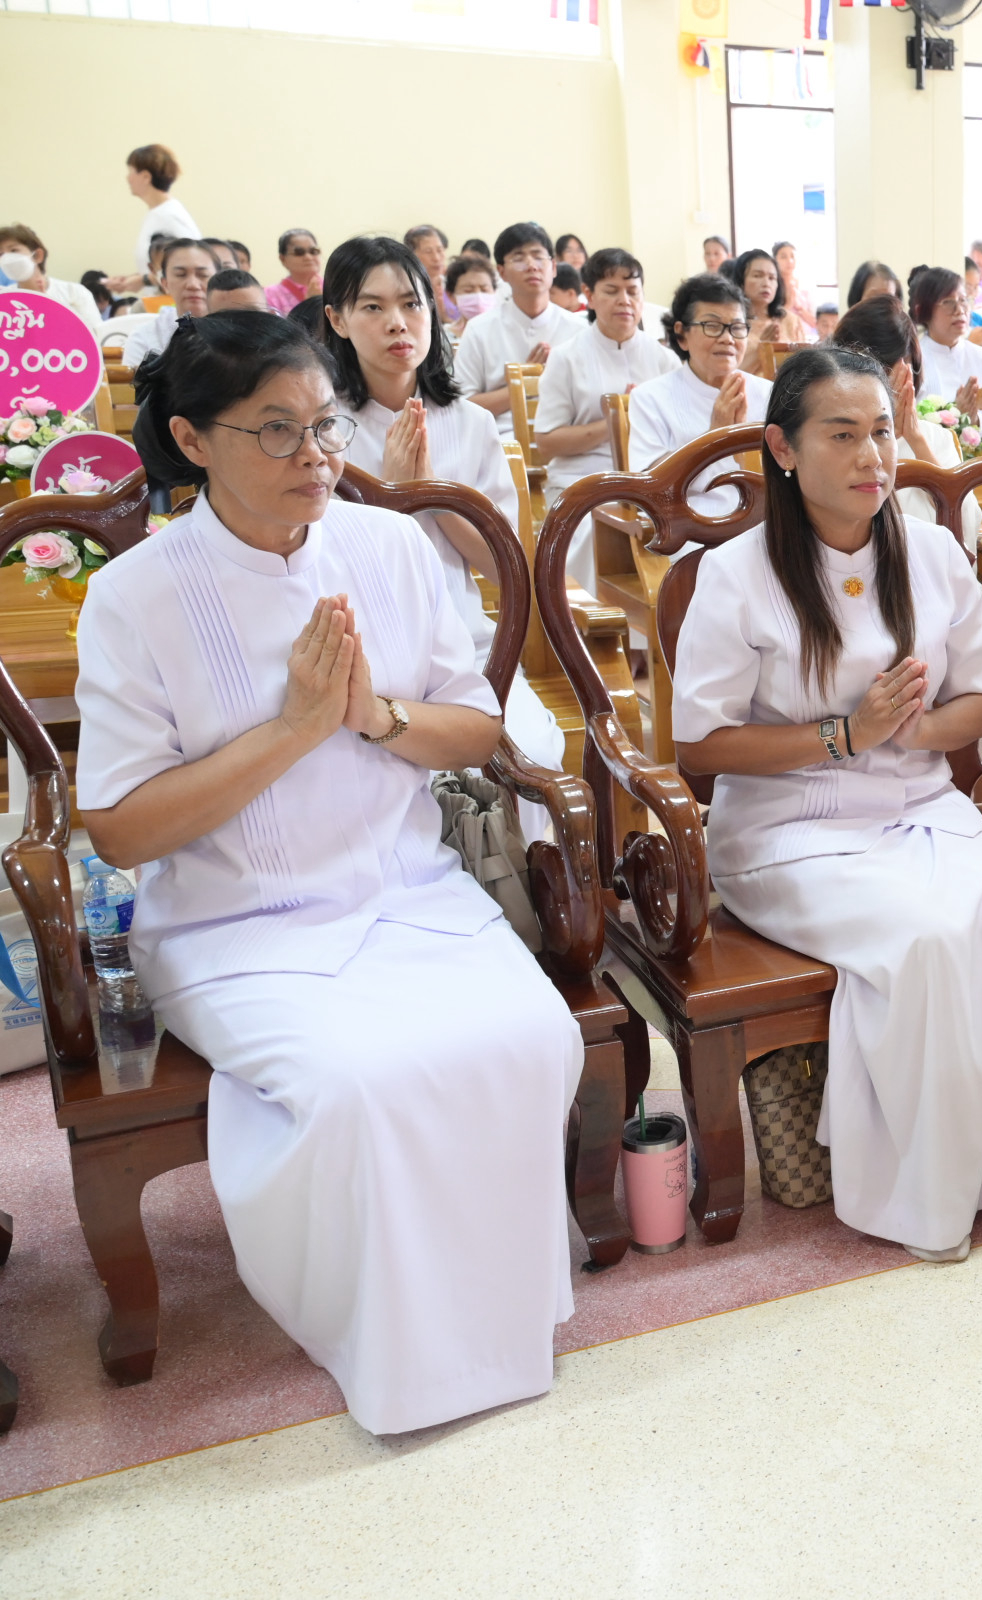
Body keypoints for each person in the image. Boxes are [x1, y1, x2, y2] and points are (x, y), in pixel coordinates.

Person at [90, 310, 580, 1434]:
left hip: (404, 888)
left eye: (324, 427)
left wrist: (379, 715)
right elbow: (119, 830)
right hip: (232, 927)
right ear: (192, 438)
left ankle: (493, 1324)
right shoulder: (138, 596)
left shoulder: (390, 546)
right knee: (360, 1085)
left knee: (530, 1037)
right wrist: (299, 729)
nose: (317, 458)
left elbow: (473, 728)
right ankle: (386, 1344)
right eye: (277, 432)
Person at [668, 348, 982, 1261]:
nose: (871, 457)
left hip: (920, 805)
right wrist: (843, 736)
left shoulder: (929, 550)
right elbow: (699, 744)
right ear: (781, 447)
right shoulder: (735, 573)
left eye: (882, 431)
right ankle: (919, 1200)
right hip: (789, 826)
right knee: (926, 943)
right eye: (841, 435)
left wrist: (918, 733)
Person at [320, 234, 565, 778]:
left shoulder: (470, 422)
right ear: (337, 320)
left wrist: (430, 493)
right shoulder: (324, 429)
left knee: (529, 759)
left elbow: (505, 566)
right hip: (358, 651)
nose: (397, 323)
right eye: (373, 307)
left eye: (411, 303)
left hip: (462, 640)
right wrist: (390, 498)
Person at [832, 297, 982, 776]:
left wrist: (915, 440)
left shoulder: (937, 436)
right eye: (871, 370)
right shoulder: (830, 439)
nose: (883, 385)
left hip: (939, 597)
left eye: (894, 371)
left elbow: (965, 533)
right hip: (854, 593)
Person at [532, 247, 681, 593]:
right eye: (611, 291)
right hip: (583, 477)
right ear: (589, 296)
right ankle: (597, 633)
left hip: (650, 477)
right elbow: (547, 443)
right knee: (594, 529)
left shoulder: (664, 359)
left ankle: (664, 636)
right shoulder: (566, 358)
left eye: (633, 291)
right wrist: (620, 420)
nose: (624, 301)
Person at [629, 275, 773, 522]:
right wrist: (715, 436)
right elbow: (649, 485)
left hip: (763, 523)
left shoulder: (769, 393)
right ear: (681, 334)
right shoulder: (649, 397)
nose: (727, 338)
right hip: (689, 529)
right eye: (712, 326)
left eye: (737, 328)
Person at [454, 222, 579, 416]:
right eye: (519, 258)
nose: (531, 266)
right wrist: (527, 381)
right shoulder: (479, 330)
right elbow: (463, 407)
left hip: (568, 440)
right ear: (502, 272)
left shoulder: (579, 329)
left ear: (553, 267)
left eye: (538, 257)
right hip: (501, 438)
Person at [109, 143, 198, 294]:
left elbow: (189, 264)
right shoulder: (156, 214)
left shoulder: (169, 215)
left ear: (145, 177)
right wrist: (135, 279)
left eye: (131, 172)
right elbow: (160, 264)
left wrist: (143, 280)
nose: (128, 178)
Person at [911, 265, 982, 404]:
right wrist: (957, 416)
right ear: (922, 311)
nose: (960, 310)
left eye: (963, 300)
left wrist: (977, 420)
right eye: (948, 302)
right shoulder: (912, 364)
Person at [120, 238, 218, 366]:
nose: (193, 285)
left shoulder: (236, 332)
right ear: (165, 283)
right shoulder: (144, 338)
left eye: (203, 275)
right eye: (181, 274)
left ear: (217, 281)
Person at [0, 224, 102, 330]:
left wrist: (47, 306)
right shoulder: (4, 298)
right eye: (0, 254)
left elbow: (95, 335)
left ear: (37, 255)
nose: (6, 258)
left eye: (13, 250)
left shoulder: (74, 292)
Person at [725, 247, 799, 355]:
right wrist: (762, 347)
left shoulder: (789, 320)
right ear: (741, 282)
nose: (766, 283)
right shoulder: (729, 321)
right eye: (757, 276)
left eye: (772, 278)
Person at [262, 229, 322, 316]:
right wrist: (311, 303)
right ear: (283, 259)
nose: (308, 257)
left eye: (313, 251)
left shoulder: (334, 287)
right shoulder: (269, 295)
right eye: (299, 252)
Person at [403, 225, 457, 322]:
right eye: (428, 252)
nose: (436, 258)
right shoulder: (406, 287)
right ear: (412, 256)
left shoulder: (454, 282)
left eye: (440, 250)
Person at [444, 255, 499, 335]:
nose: (478, 297)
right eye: (468, 291)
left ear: (494, 291)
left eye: (484, 290)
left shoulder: (507, 334)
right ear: (451, 296)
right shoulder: (444, 337)